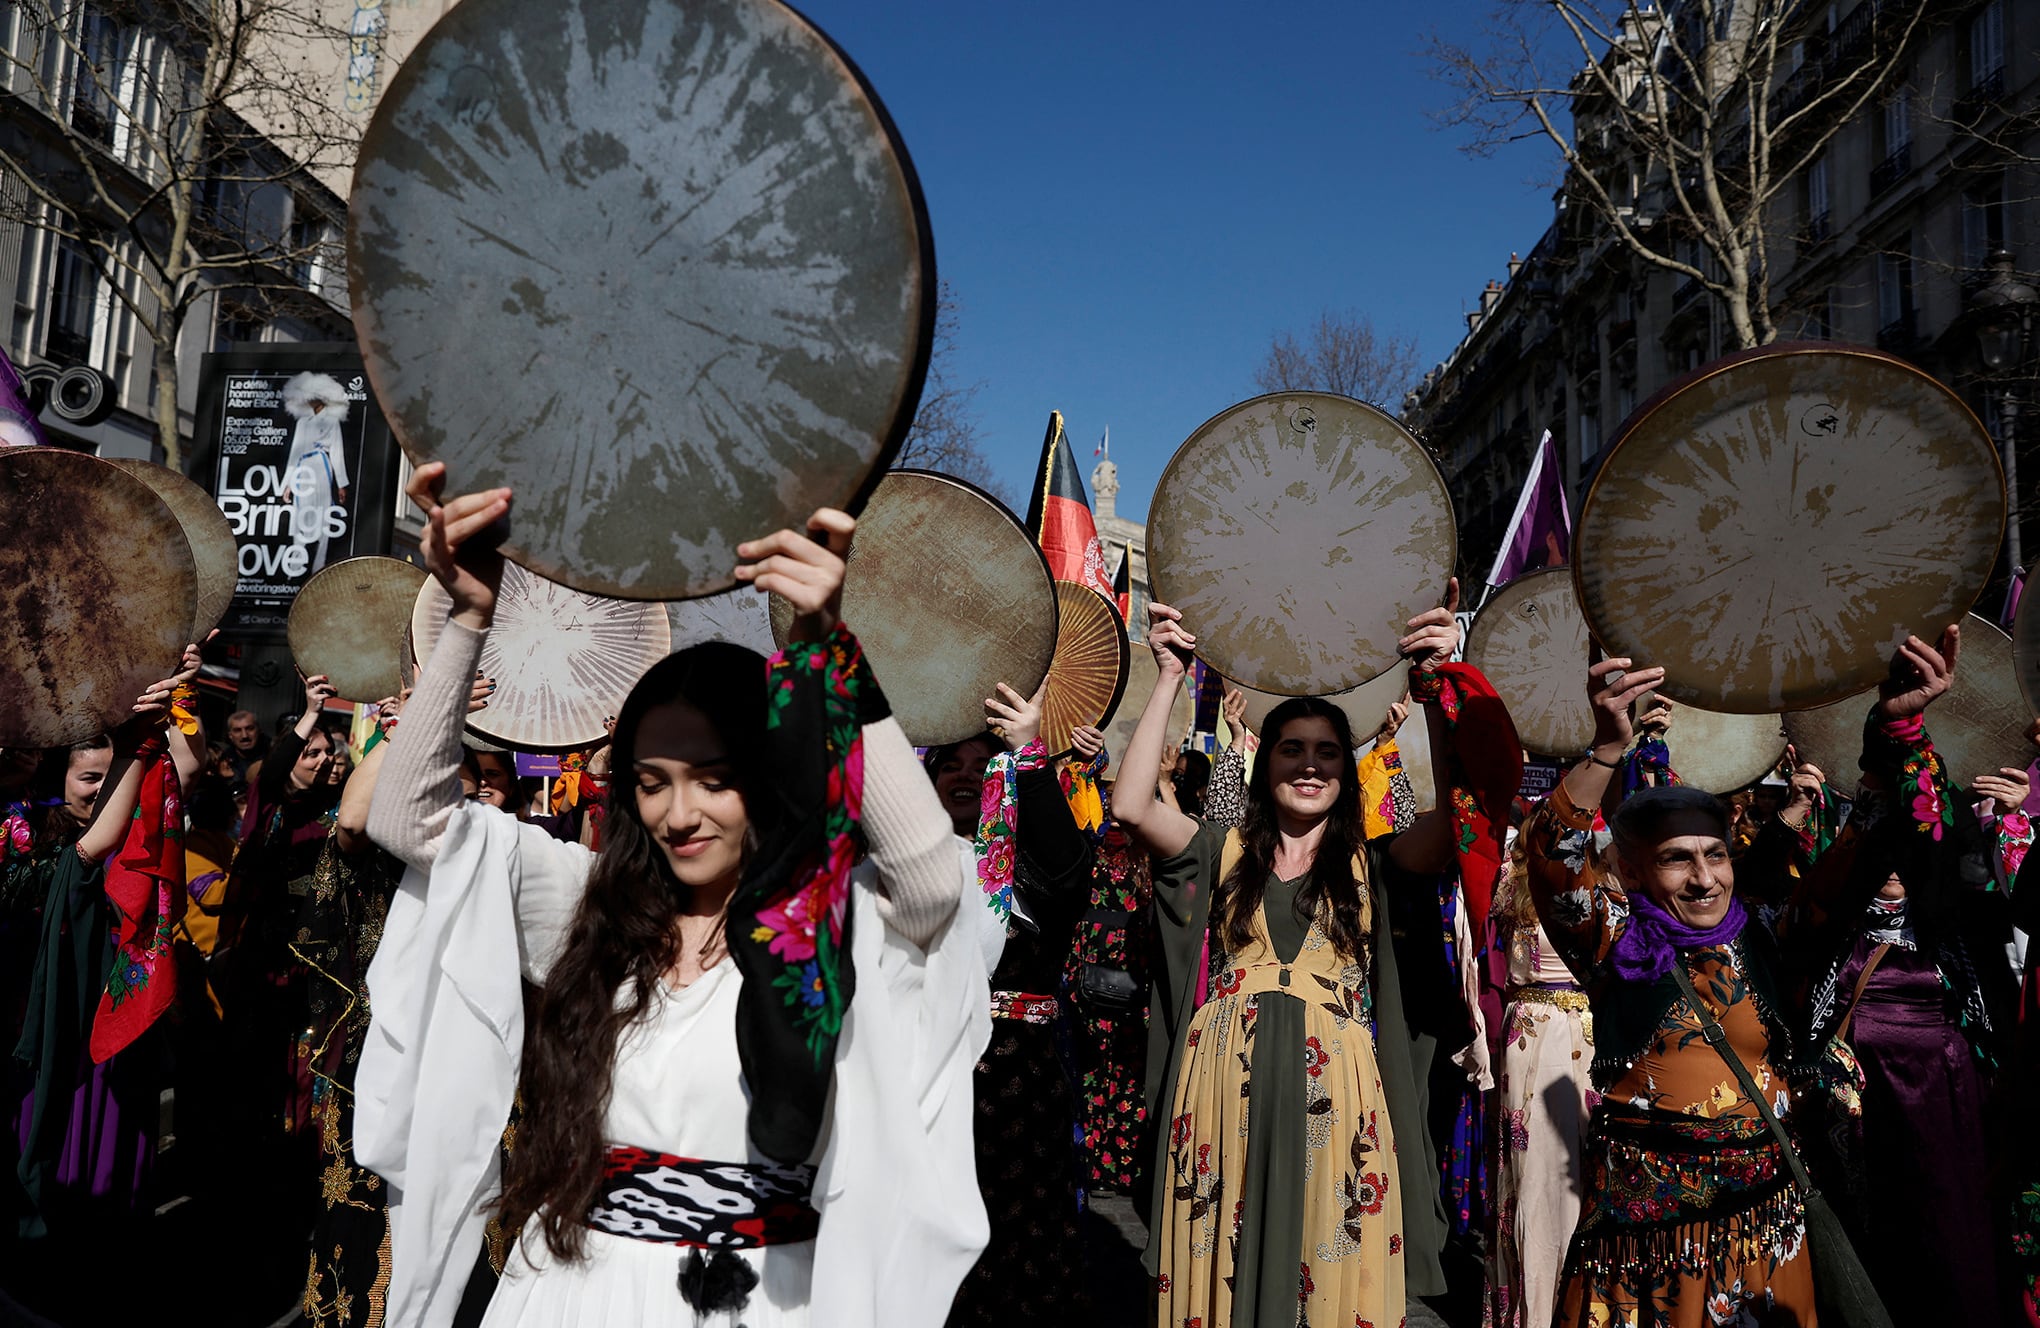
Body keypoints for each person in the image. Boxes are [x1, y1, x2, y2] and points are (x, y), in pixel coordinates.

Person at [356, 463, 989, 1328]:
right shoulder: (591, 904)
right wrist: (468, 617)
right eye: (652, 783)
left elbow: (930, 876)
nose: (678, 814)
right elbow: (410, 821)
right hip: (573, 1293)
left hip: (766, 1299)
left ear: (764, 781)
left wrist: (828, 647)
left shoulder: (824, 922)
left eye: (713, 781)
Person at [1113, 588, 1482, 1328]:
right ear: (1266, 762)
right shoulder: (1219, 849)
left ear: (1345, 769)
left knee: (1324, 1267)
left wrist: (1437, 689)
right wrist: (1170, 678)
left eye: (1325, 752)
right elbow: (1129, 806)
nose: (1308, 766)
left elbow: (1452, 825)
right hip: (1221, 1088)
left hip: (1337, 1094)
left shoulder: (1375, 864)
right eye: (1291, 749)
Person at [1522, 650, 1817, 1327]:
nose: (1705, 878)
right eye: (1677, 859)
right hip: (1646, 1250)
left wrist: (1898, 738)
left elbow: (1869, 866)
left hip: (1763, 1235)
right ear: (1631, 872)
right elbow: (1551, 853)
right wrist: (1607, 746)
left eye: (1715, 855)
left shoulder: (1765, 934)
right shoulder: (1614, 943)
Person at [1768, 625, 2010, 1326]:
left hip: (1944, 1099)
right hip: (1850, 1110)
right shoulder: (1829, 908)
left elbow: (1935, 834)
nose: (1894, 863)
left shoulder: (1957, 917)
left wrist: (1907, 730)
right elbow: (1794, 881)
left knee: (1946, 1254)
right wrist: (1891, 734)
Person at [931, 685, 1096, 1327]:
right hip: (927, 1077)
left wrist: (1028, 752)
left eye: (982, 764)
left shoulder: (1033, 871)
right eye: (950, 765)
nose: (965, 775)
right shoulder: (898, 871)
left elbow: (1069, 867)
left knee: (1016, 1252)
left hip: (1016, 1084)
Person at [1062, 723, 1157, 1197]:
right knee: (1089, 1071)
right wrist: (1089, 760)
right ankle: (1092, 1165)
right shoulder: (1089, 849)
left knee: (1126, 1077)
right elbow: (1074, 799)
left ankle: (1122, 1168)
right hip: (1086, 974)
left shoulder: (1151, 857)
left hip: (1132, 977)